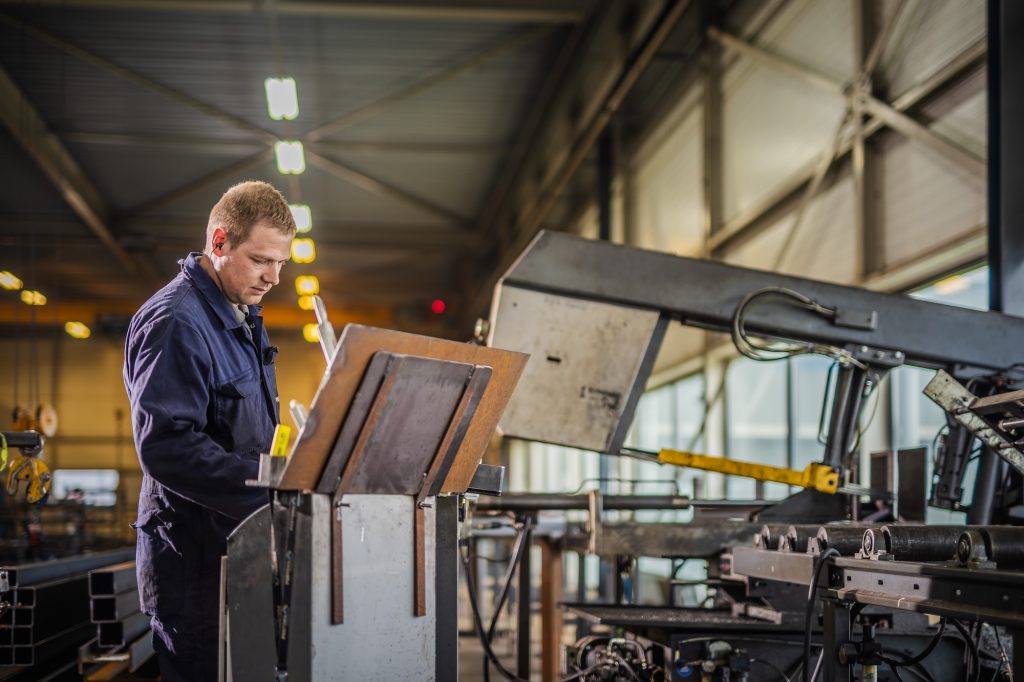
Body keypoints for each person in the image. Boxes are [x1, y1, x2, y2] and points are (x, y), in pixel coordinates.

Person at [123, 180, 295, 682]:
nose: (274, 277)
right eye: (262, 259)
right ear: (218, 242)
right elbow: (167, 446)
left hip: (236, 549)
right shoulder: (177, 321)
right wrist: (271, 492)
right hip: (195, 565)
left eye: (281, 263)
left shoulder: (238, 315)